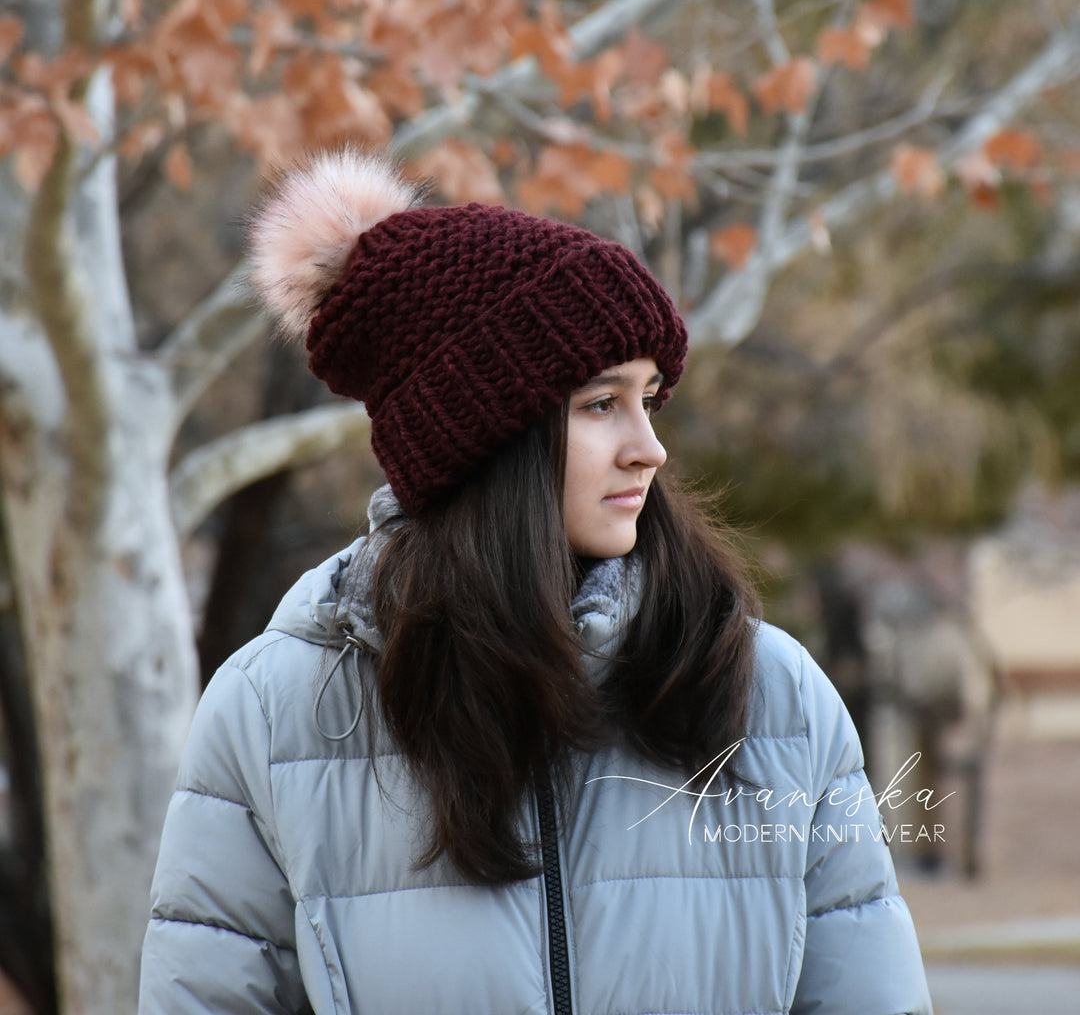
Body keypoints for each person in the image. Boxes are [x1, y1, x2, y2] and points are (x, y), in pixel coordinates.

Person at [139, 148, 933, 1015]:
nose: (649, 446)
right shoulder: (274, 716)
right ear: (482, 441)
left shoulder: (771, 698)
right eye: (601, 404)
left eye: (649, 397)